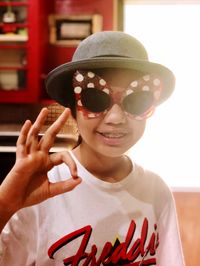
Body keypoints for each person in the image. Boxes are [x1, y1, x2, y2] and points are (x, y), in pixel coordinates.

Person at [0, 31, 185, 265]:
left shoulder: (156, 192)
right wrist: (5, 204)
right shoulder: (39, 190)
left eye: (136, 100)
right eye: (95, 99)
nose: (116, 118)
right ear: (73, 110)